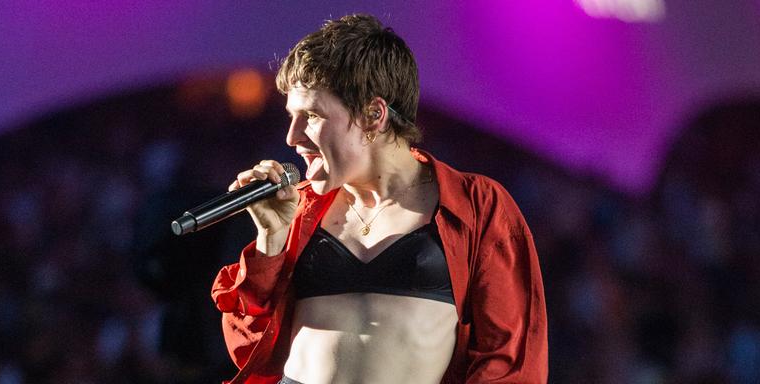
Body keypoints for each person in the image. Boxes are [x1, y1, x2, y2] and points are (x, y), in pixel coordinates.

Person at [211, 14, 547, 384]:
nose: (292, 137)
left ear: (374, 114)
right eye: (292, 116)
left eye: (310, 115)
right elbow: (249, 345)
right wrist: (270, 243)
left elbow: (509, 359)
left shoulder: (476, 205)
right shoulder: (299, 209)